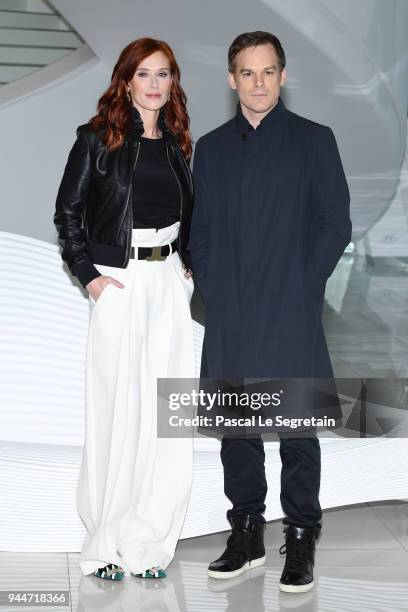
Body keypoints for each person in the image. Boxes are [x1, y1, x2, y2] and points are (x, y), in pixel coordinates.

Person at [190, 31, 352, 593]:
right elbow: (200, 230)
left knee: (297, 430)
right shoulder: (210, 148)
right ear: (232, 79)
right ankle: (247, 533)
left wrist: (304, 285)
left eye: (268, 72)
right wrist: (215, 287)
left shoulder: (315, 140)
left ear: (283, 77)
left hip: (292, 305)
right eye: (247, 73)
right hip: (231, 307)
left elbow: (335, 224)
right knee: (238, 429)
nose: (258, 83)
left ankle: (302, 536)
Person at [54, 37, 195, 581]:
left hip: (166, 284)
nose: (155, 84)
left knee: (165, 415)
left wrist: (186, 266)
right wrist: (90, 279)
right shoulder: (96, 140)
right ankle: (105, 543)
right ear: (126, 80)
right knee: (117, 414)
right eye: (145, 74)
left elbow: (190, 217)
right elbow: (67, 213)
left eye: (164, 74)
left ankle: (150, 543)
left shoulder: (181, 145)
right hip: (118, 280)